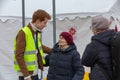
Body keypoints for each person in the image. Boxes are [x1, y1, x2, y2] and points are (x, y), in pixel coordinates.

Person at [14, 9, 52, 80]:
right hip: (26, 75)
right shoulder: (23, 33)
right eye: (44, 23)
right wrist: (26, 75)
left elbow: (40, 47)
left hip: (34, 73)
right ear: (38, 21)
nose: (45, 25)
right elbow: (19, 55)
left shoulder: (36, 32)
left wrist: (54, 50)